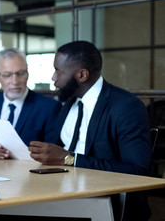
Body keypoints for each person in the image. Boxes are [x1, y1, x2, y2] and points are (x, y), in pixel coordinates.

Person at [28, 40, 152, 220]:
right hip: (62, 193)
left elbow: (138, 170)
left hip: (106, 202)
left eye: (58, 71)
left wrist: (70, 159)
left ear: (82, 75)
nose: (54, 78)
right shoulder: (69, 102)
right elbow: (56, 152)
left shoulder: (126, 106)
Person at [0, 48, 61, 159]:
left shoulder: (49, 107)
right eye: (7, 75)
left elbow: (52, 153)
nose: (15, 81)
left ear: (27, 73)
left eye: (20, 73)